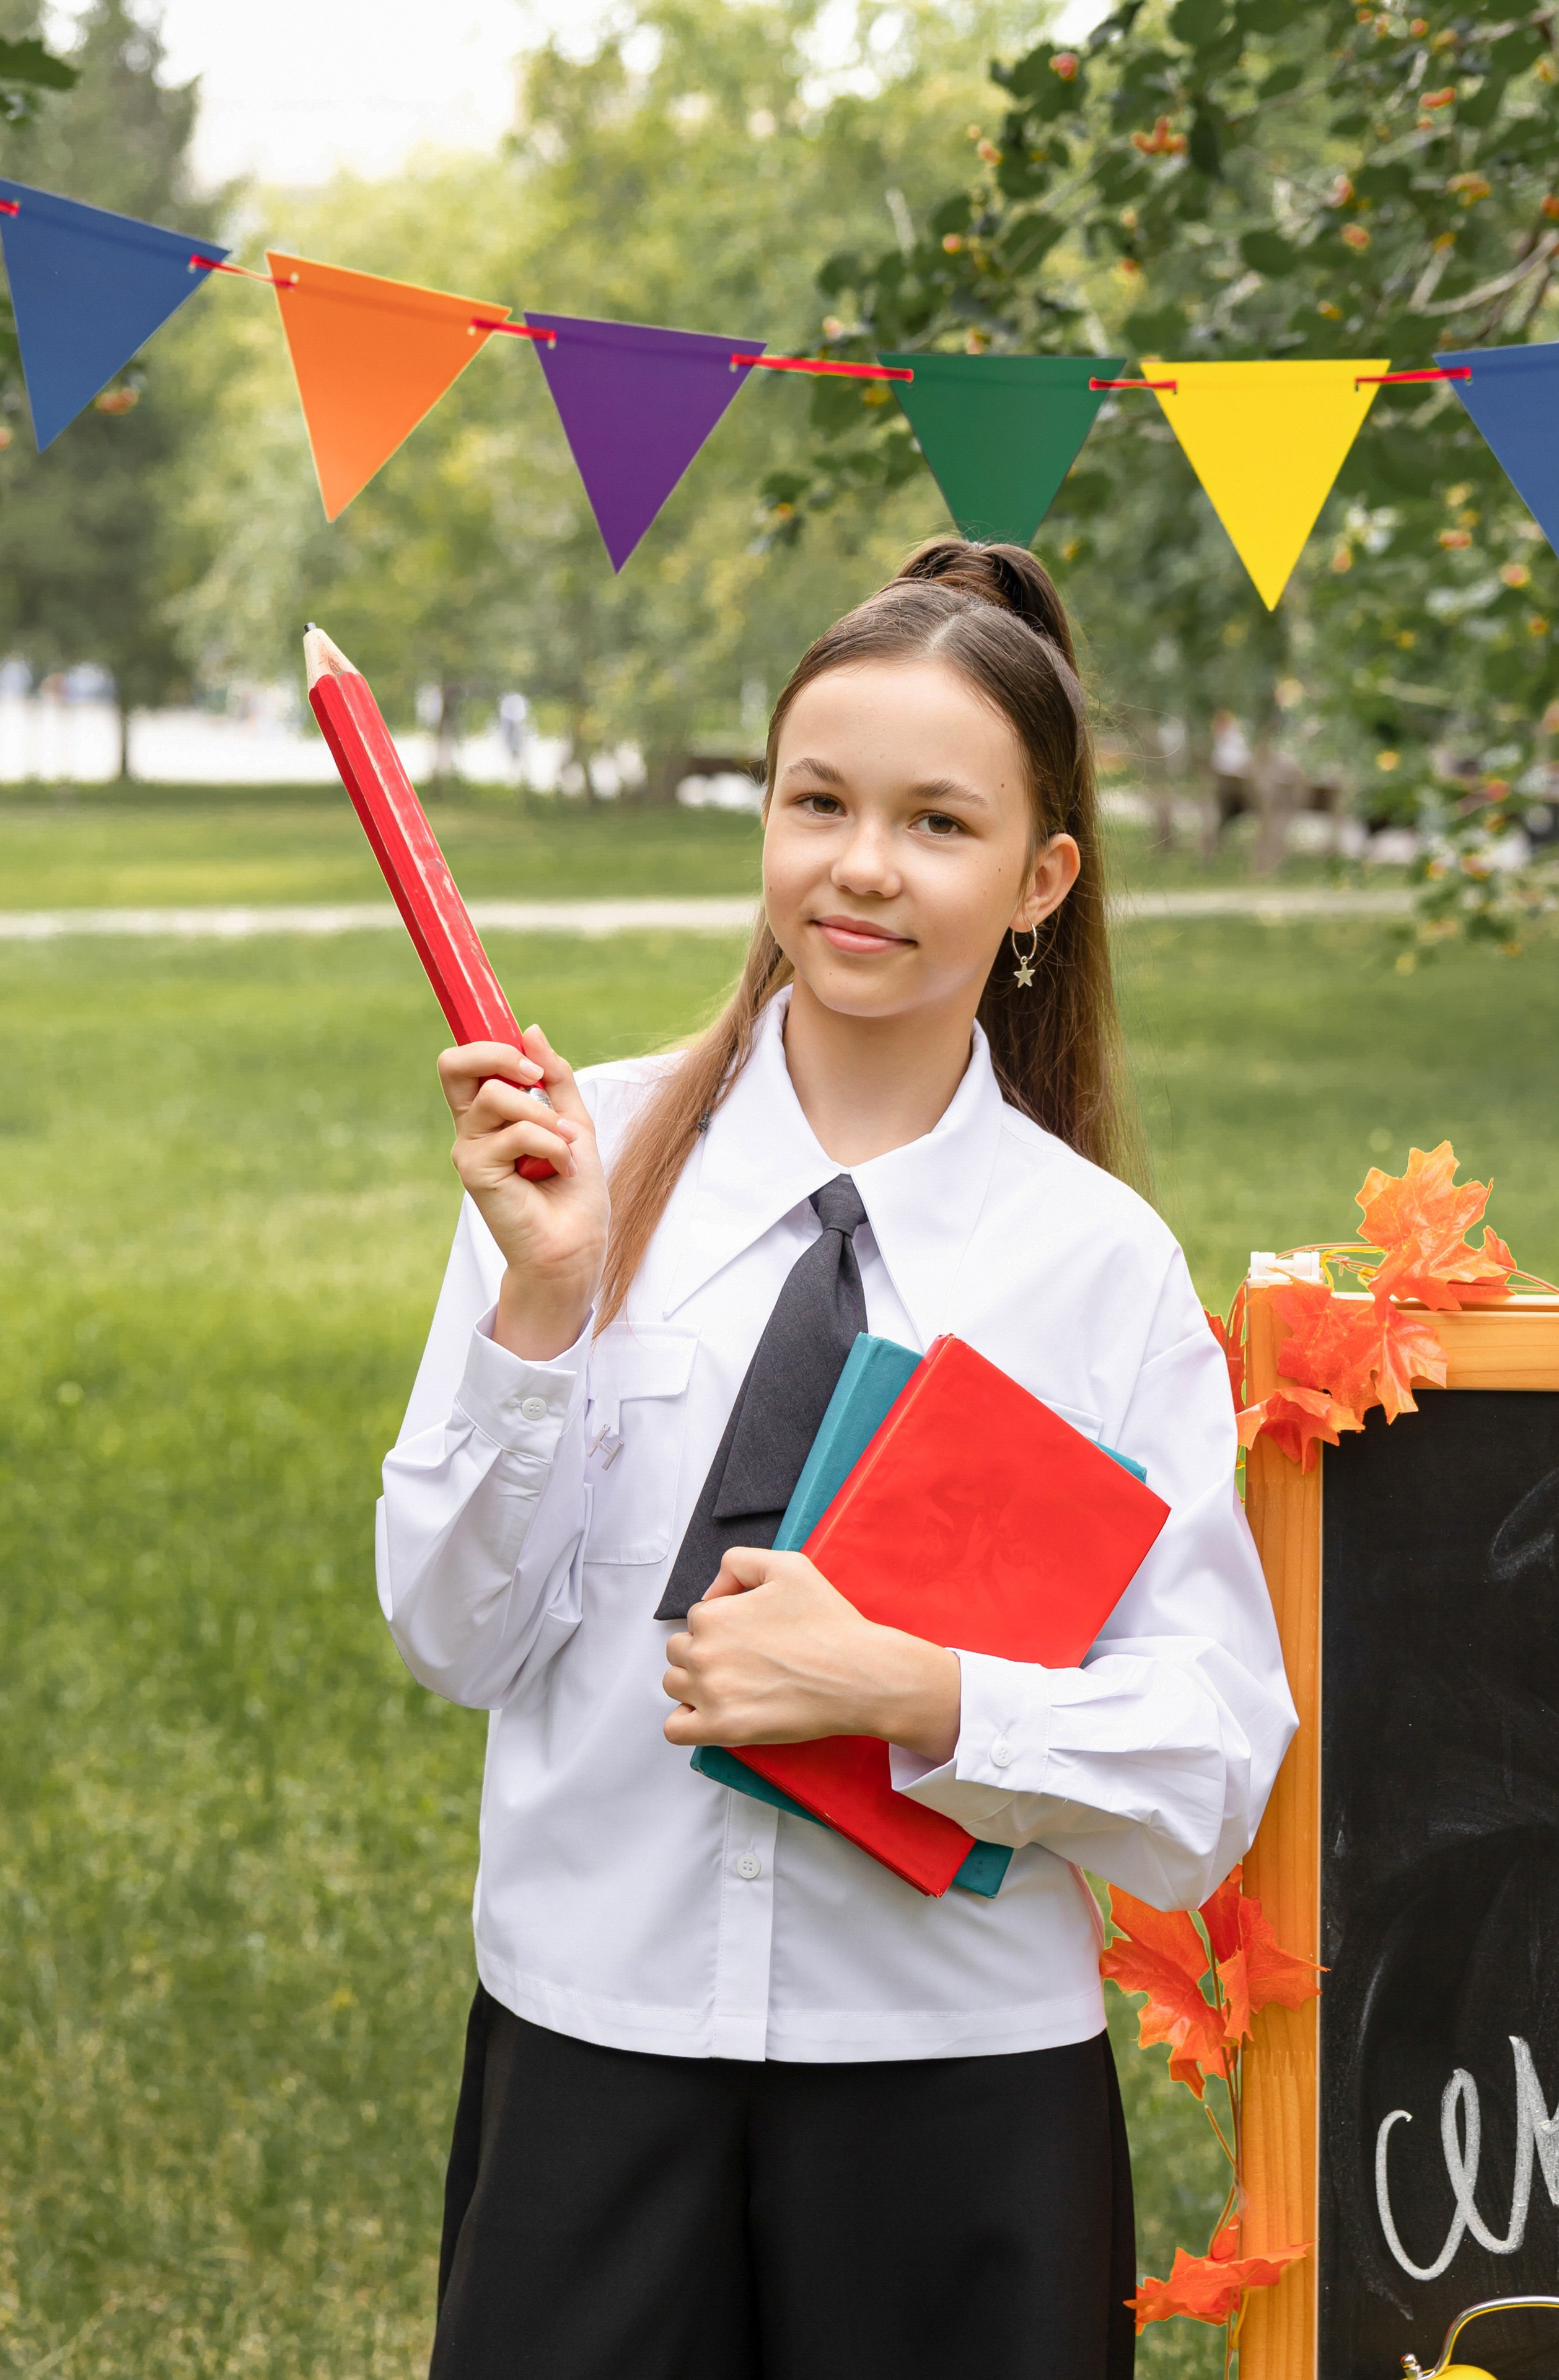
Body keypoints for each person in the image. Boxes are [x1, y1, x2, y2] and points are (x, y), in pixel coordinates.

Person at [379, 538, 1298, 2380]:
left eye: (939, 823)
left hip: (956, 2088)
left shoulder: (1095, 1264)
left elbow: (1208, 1780)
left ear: (1043, 879)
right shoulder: (577, 1165)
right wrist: (543, 1316)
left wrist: (924, 1691)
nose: (862, 864)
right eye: (820, 800)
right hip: (593, 2049)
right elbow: (452, 1639)